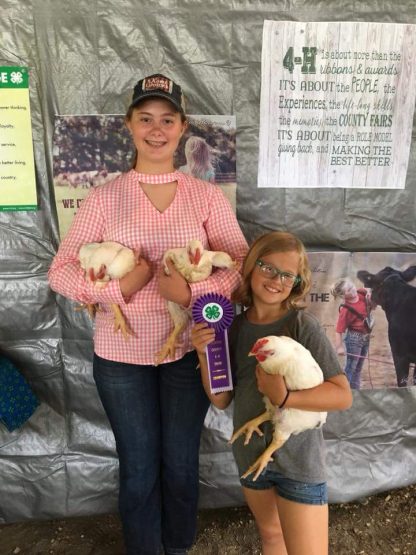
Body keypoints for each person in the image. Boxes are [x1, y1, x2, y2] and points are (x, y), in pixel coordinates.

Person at [48, 73, 248, 555]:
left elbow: (239, 265)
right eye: (145, 119)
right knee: (138, 465)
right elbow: (60, 271)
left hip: (189, 351)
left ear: (182, 128)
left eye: (167, 119)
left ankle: (177, 546)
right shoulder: (105, 197)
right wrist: (123, 287)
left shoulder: (205, 196)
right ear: (129, 125)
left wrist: (194, 291)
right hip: (120, 357)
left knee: (180, 462)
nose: (156, 130)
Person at [192, 231, 352, 555]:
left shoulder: (301, 326)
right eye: (267, 267)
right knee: (272, 537)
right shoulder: (234, 329)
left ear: (296, 282)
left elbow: (341, 396)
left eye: (286, 274)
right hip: (251, 457)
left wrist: (286, 398)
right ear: (251, 267)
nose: (275, 279)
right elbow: (222, 399)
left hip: (300, 462)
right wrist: (203, 355)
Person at [331, 278, 374, 390]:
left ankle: (355, 392)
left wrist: (369, 292)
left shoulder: (360, 293)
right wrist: (339, 347)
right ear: (343, 296)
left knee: (359, 367)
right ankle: (344, 391)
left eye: (352, 286)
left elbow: (368, 288)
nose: (353, 289)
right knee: (351, 367)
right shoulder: (346, 310)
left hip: (365, 337)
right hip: (354, 339)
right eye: (349, 290)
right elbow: (338, 331)